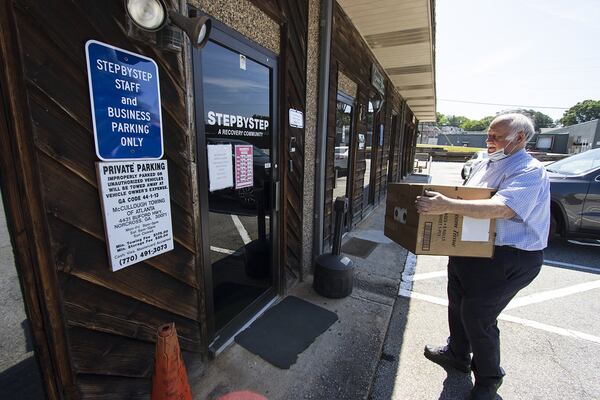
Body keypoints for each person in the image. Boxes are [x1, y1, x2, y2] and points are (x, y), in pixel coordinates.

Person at [415, 113, 550, 400]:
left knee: (478, 315)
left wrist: (446, 205)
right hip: (472, 248)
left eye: (496, 137)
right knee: (457, 301)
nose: (489, 141)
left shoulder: (529, 170)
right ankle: (457, 354)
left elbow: (503, 208)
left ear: (520, 138)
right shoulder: (486, 162)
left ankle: (489, 380)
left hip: (510, 256)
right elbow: (468, 195)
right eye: (488, 135)